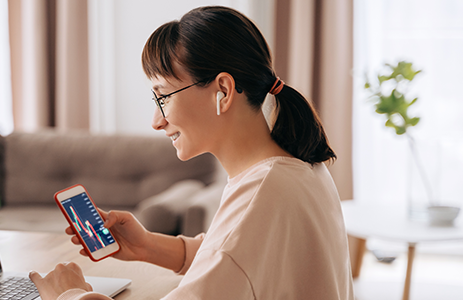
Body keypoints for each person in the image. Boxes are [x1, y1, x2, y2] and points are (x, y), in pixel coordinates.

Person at [30, 5, 354, 300]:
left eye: (164, 97)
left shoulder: (263, 194)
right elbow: (241, 258)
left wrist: (69, 295)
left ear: (223, 91)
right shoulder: (296, 168)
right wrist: (148, 246)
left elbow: (234, 253)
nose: (157, 121)